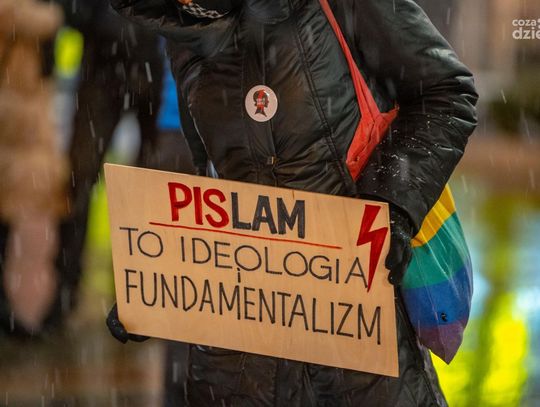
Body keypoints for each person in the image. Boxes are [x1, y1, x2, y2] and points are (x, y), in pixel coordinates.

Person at [107, 0, 479, 405]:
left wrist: (392, 205)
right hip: (238, 368)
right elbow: (214, 182)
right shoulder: (181, 27)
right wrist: (162, 283)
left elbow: (444, 93)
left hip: (360, 346)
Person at [0, 0, 66, 335]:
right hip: (14, 111)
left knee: (12, 216)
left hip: (23, 108)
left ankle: (9, 307)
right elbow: (32, 18)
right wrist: (54, 12)